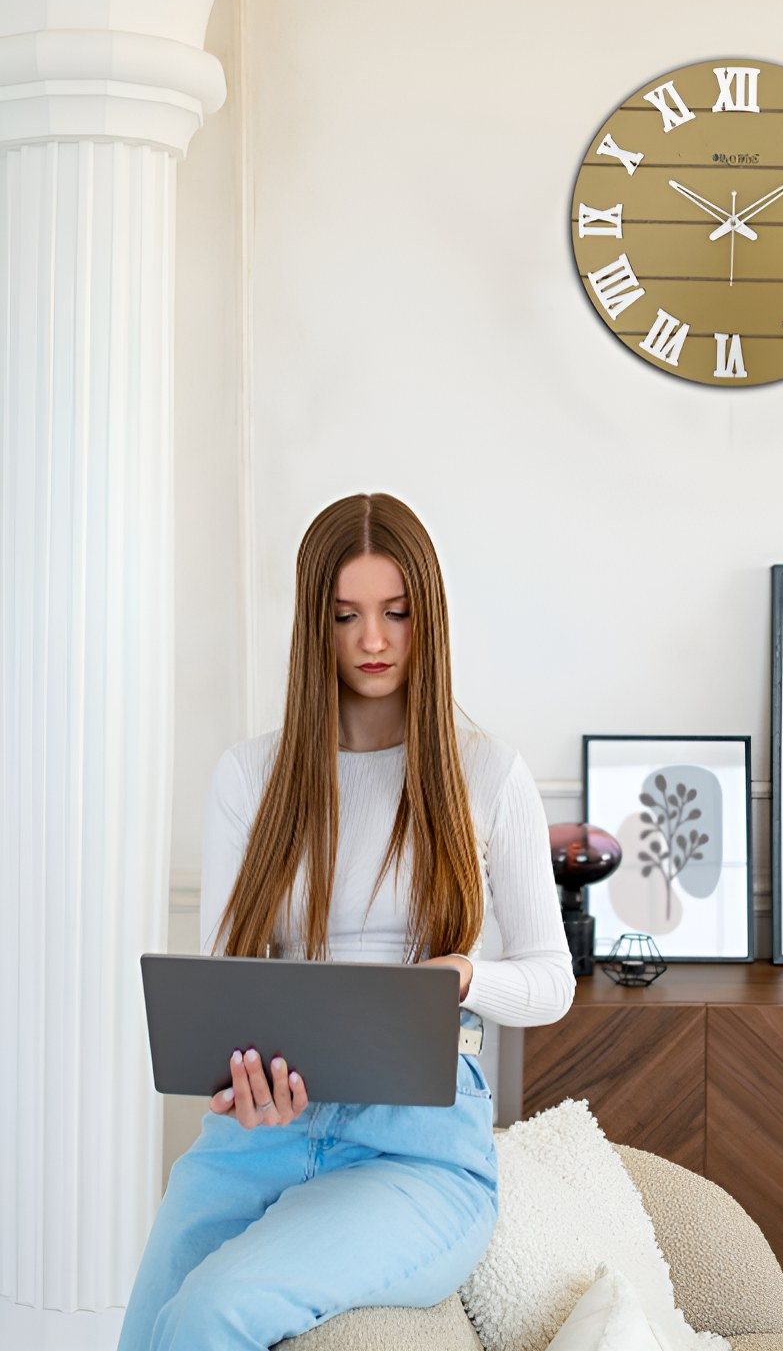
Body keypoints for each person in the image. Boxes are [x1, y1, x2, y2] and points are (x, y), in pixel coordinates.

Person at [120, 492, 575, 1350]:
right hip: (262, 1134)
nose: (373, 641)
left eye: (397, 614)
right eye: (347, 615)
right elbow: (228, 984)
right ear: (313, 626)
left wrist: (463, 976)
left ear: (427, 619)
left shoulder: (489, 775)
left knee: (214, 1312)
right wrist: (243, 1088)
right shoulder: (249, 778)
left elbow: (552, 983)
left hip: (418, 1150)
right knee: (152, 1329)